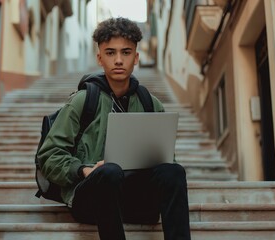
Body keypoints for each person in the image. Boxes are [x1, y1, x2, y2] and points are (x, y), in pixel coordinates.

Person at [37, 17, 191, 240]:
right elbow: (49, 157)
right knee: (108, 172)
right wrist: (84, 170)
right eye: (110, 53)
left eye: (126, 52)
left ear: (136, 57)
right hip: (90, 200)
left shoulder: (151, 105)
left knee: (174, 171)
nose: (118, 60)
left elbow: (165, 160)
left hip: (135, 201)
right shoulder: (82, 101)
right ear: (99, 58)